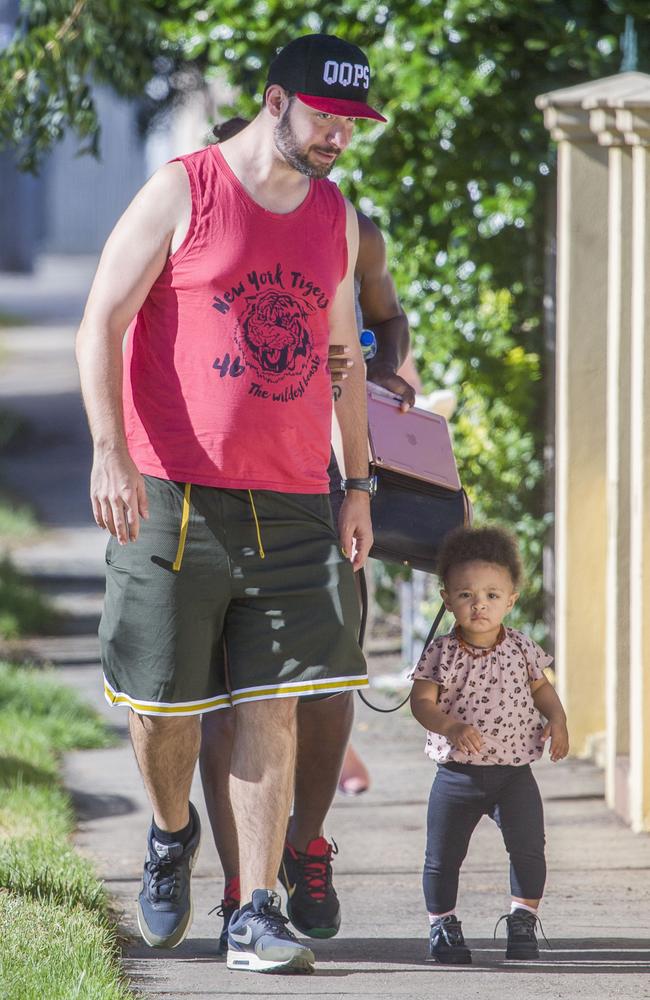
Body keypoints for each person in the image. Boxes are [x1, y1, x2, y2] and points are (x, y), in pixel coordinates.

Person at [76, 33, 386, 976]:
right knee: (163, 709)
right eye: (326, 118)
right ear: (274, 99)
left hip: (292, 499)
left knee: (273, 703)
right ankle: (173, 834)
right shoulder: (184, 189)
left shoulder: (335, 216)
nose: (339, 137)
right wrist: (110, 455)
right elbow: (102, 320)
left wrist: (359, 482)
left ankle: (254, 907)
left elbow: (343, 360)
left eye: (352, 123)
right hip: (170, 495)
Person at [196, 131, 416, 947]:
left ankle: (305, 840)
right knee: (229, 692)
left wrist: (385, 378)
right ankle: (239, 882)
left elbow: (388, 318)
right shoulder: (197, 213)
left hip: (324, 475)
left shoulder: (347, 225)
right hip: (218, 478)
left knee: (328, 681)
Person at [409, 525, 569, 965]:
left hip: (514, 774)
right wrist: (449, 725)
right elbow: (420, 702)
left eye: (492, 595)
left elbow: (542, 690)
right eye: (465, 595)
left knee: (529, 847)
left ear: (511, 599)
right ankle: (442, 926)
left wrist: (558, 719)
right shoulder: (441, 652)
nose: (479, 604)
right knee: (442, 857)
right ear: (447, 599)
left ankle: (522, 921)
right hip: (456, 775)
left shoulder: (522, 647)